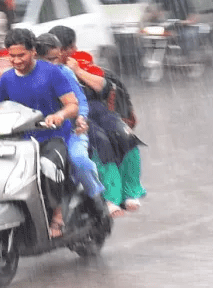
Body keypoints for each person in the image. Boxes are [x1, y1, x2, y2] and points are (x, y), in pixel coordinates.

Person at [0, 28, 78, 238]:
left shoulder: (52, 73)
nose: (16, 60)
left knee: (49, 167)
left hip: (52, 138)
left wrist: (59, 116)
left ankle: (57, 215)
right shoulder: (5, 80)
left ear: (33, 51)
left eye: (21, 55)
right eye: (12, 56)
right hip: (20, 142)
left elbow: (72, 105)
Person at [48, 25, 146, 218]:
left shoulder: (82, 61)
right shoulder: (45, 68)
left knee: (126, 136)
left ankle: (131, 191)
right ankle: (111, 197)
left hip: (98, 110)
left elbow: (102, 85)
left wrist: (76, 70)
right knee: (100, 142)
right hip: (76, 115)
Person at [35, 33, 106, 214]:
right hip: (38, 136)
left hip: (69, 133)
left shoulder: (64, 73)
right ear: (35, 57)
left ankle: (96, 196)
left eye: (56, 59)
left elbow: (80, 102)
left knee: (79, 160)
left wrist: (81, 118)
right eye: (49, 59)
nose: (54, 64)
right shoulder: (21, 78)